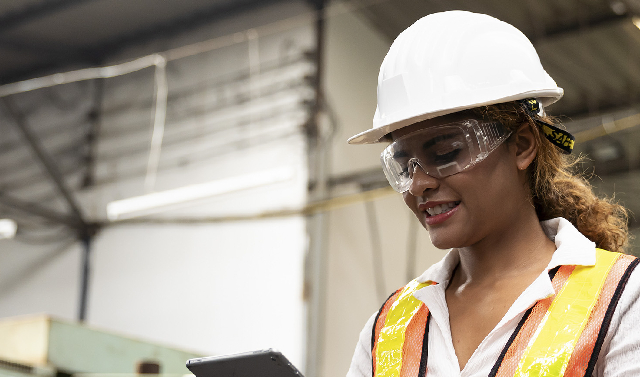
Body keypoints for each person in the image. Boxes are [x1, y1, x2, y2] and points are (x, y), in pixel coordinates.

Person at [346, 10, 638, 377]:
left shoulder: (623, 299)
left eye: (445, 153)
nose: (418, 184)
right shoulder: (388, 328)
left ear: (521, 145)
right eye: (405, 165)